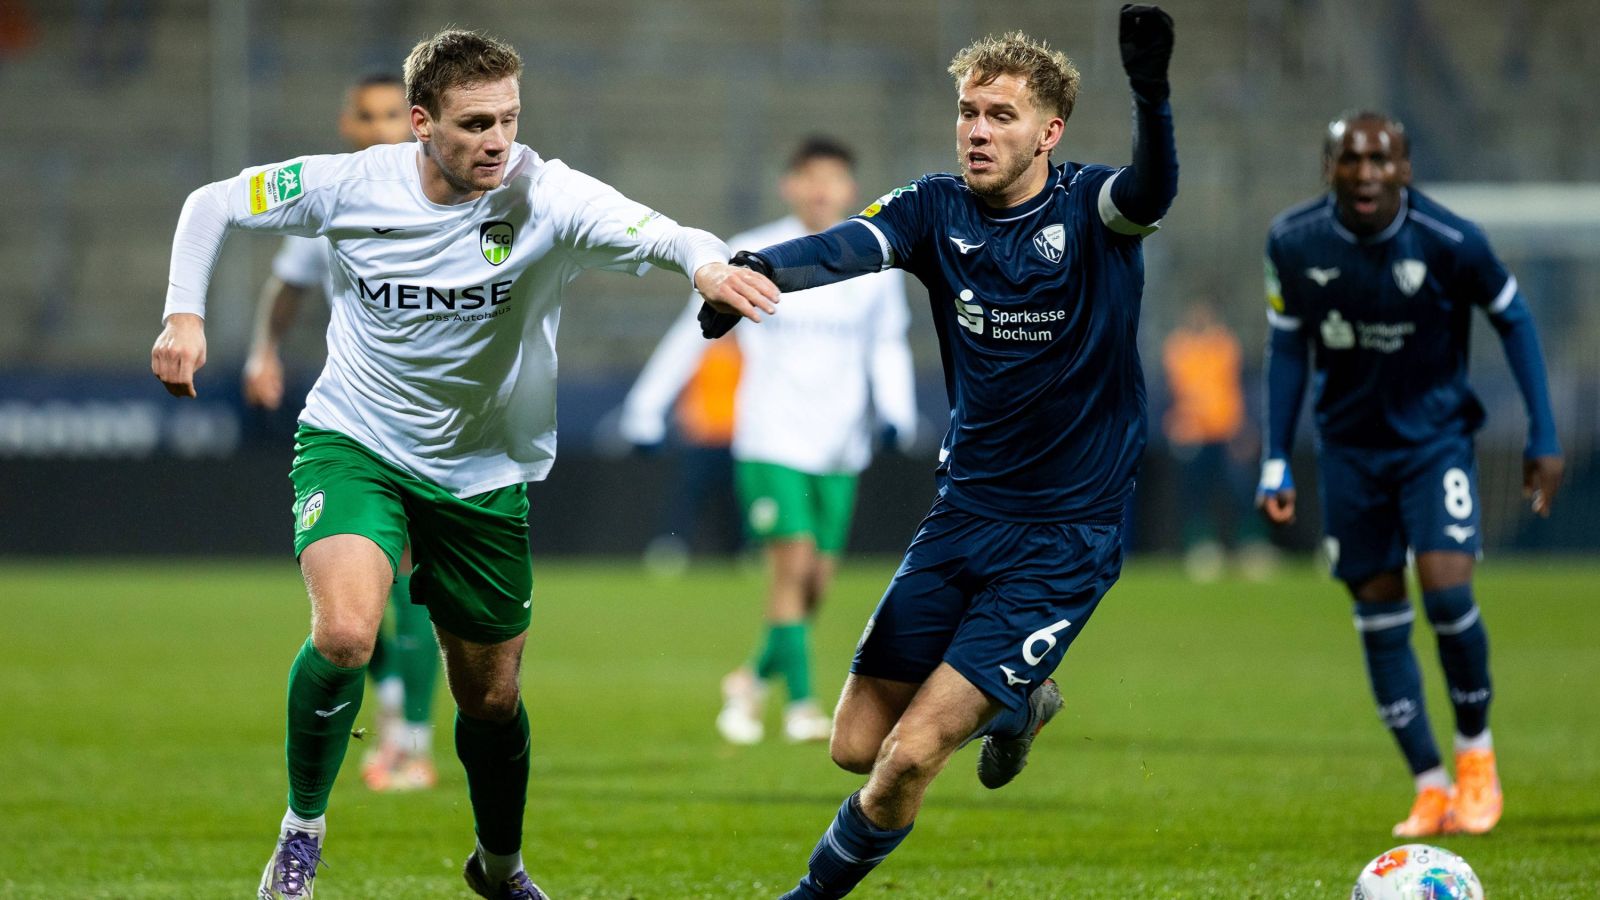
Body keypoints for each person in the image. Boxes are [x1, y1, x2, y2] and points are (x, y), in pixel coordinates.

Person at [149, 28, 778, 900]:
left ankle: (500, 866)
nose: (497, 141)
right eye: (476, 122)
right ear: (419, 123)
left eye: (509, 120)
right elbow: (211, 202)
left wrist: (708, 264)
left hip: (484, 473)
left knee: (489, 700)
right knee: (344, 633)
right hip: (355, 439)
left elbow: (667, 231)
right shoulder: (347, 184)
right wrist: (185, 314)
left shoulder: (545, 194)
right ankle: (300, 835)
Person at [699, 9, 1177, 896]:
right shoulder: (934, 208)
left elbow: (1151, 192)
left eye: (1001, 115)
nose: (979, 131)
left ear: (1050, 131)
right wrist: (753, 269)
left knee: (910, 758)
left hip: (1064, 537)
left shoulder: (1092, 209)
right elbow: (848, 246)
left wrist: (1152, 94)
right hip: (962, 517)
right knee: (855, 746)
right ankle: (1018, 699)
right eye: (968, 112)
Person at [1256, 110, 1563, 838]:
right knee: (1380, 613)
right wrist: (1276, 455)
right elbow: (1287, 349)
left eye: (1381, 160)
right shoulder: (1292, 241)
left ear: (1406, 169)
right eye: (1350, 160)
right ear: (1326, 167)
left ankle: (1476, 757)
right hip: (1350, 452)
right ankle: (1430, 784)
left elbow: (1515, 320)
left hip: (1434, 444)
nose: (1366, 173)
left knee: (1448, 591)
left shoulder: (1451, 240)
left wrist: (1544, 433)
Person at [620, 137, 918, 746]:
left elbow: (887, 344)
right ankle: (804, 705)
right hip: (770, 439)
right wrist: (646, 410)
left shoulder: (874, 266)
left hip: (840, 447)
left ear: (851, 190)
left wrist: (896, 412)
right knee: (792, 571)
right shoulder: (758, 255)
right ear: (790, 185)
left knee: (815, 585)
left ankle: (750, 681)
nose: (820, 190)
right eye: (809, 178)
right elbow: (692, 334)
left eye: (833, 179)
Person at [239, 71, 444, 794]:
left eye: (396, 112)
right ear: (348, 125)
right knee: (358, 599)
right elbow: (288, 284)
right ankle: (394, 718)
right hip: (356, 420)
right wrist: (265, 349)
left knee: (416, 579)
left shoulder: (445, 193)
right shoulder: (332, 198)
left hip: (435, 426)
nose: (385, 126)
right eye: (371, 114)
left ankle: (410, 740)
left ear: (418, 121)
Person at [1161, 298, 1274, 581]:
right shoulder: (1178, 348)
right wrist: (1175, 422)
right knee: (1196, 492)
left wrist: (1246, 428)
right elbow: (1170, 393)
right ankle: (1201, 547)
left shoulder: (1226, 345)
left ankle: (1251, 545)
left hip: (1227, 432)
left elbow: (1241, 387)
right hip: (1193, 435)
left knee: (1241, 489)